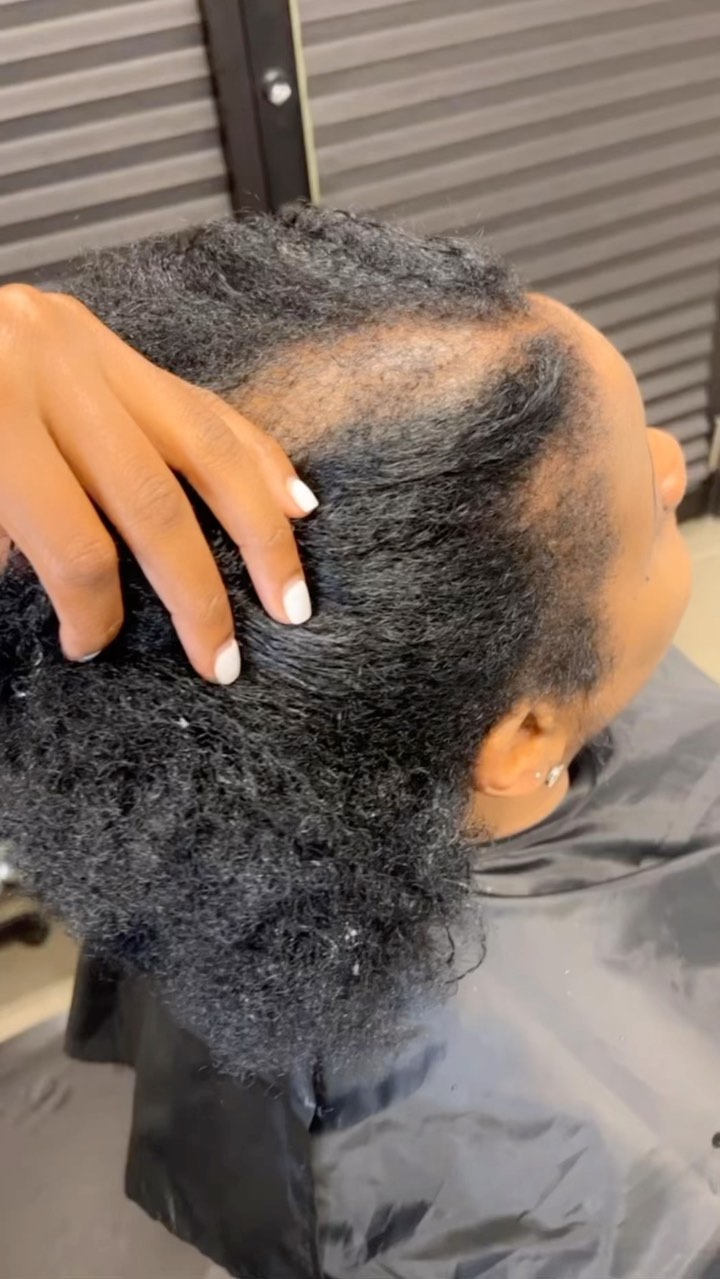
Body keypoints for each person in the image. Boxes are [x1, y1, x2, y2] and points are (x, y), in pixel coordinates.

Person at [0, 205, 719, 1279]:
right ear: (526, 733)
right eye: (646, 517)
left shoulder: (192, 817)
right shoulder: (619, 1202)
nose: (671, 464)